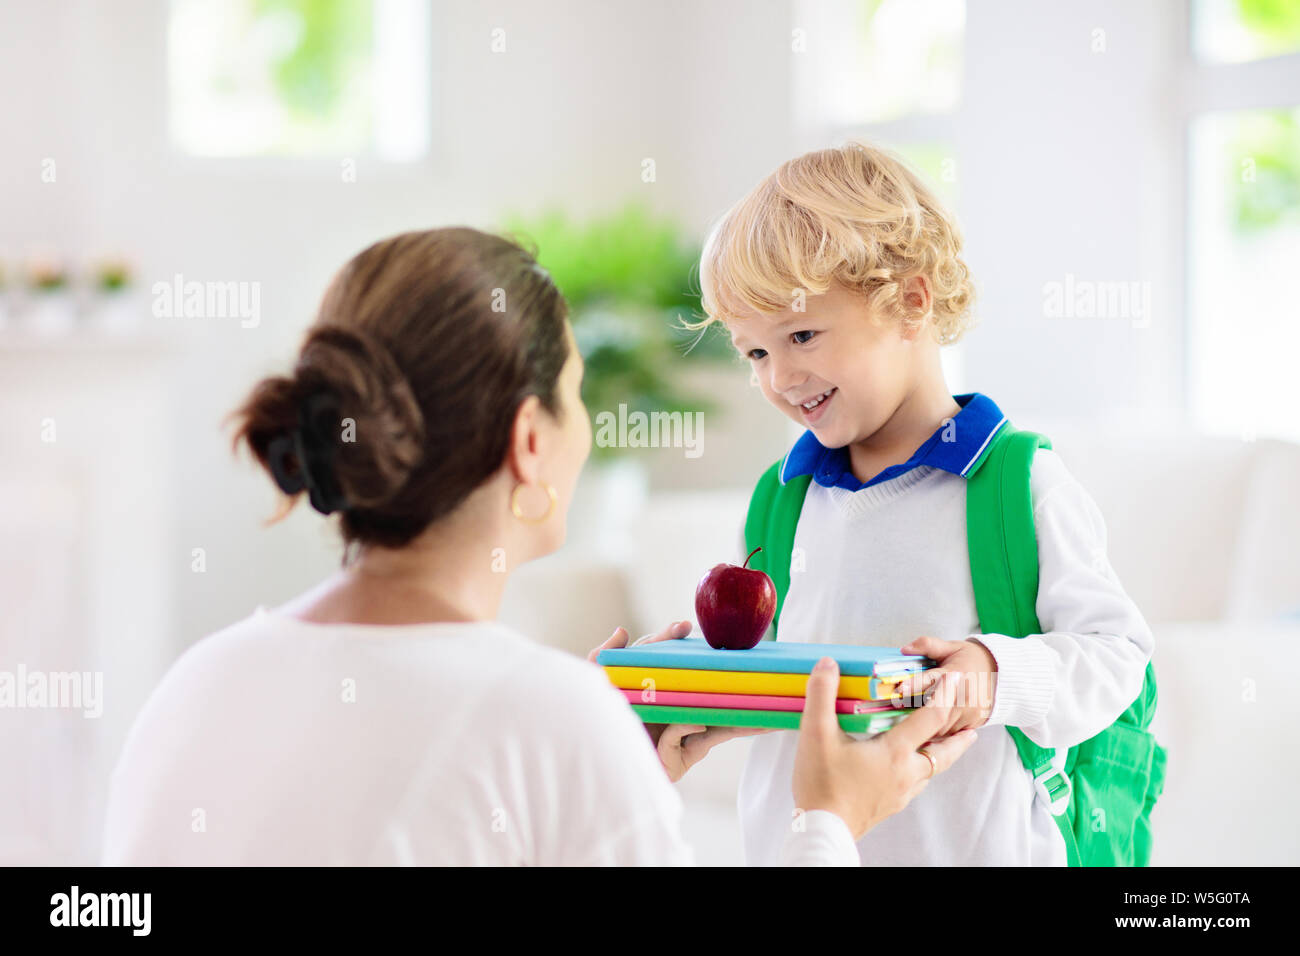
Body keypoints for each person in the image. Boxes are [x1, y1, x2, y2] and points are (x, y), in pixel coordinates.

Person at [99, 227, 975, 866]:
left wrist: (600, 787)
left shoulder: (196, 683)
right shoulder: (553, 716)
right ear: (529, 441)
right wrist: (827, 822)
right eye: (576, 393)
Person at [689, 142, 1156, 866]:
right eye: (754, 353)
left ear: (911, 301)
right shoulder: (783, 498)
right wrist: (695, 692)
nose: (779, 377)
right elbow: (794, 691)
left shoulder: (1013, 485)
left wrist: (993, 675)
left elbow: (1117, 660)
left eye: (802, 334)